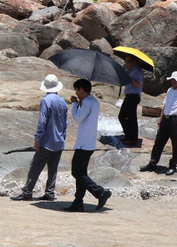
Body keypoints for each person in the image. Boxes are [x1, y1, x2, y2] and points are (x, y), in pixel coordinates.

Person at [11, 73, 68, 201]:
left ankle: (27, 192)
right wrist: (63, 137)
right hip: (59, 142)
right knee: (53, 169)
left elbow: (42, 122)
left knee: (35, 166)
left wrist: (37, 138)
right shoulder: (63, 102)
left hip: (47, 142)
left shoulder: (46, 100)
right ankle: (50, 193)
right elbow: (65, 123)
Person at [140, 71, 177, 176]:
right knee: (158, 142)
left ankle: (173, 166)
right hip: (166, 119)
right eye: (172, 80)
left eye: (175, 80)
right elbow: (165, 105)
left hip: (176, 119)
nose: (173, 82)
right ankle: (152, 163)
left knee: (175, 143)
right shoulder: (170, 90)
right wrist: (161, 119)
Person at [68, 78, 111, 212]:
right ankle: (78, 202)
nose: (76, 92)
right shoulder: (93, 102)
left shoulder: (87, 103)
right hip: (88, 142)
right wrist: (80, 104)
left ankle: (100, 192)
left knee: (76, 172)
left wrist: (74, 104)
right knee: (81, 173)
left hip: (83, 144)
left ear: (81, 89)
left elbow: (77, 118)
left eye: (77, 89)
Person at [118, 55, 143, 145]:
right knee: (122, 116)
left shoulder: (137, 71)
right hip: (129, 96)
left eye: (128, 61)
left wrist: (129, 78)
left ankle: (133, 138)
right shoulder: (131, 70)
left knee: (131, 118)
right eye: (126, 61)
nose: (127, 63)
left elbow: (138, 85)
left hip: (133, 96)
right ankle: (128, 135)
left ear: (134, 61)